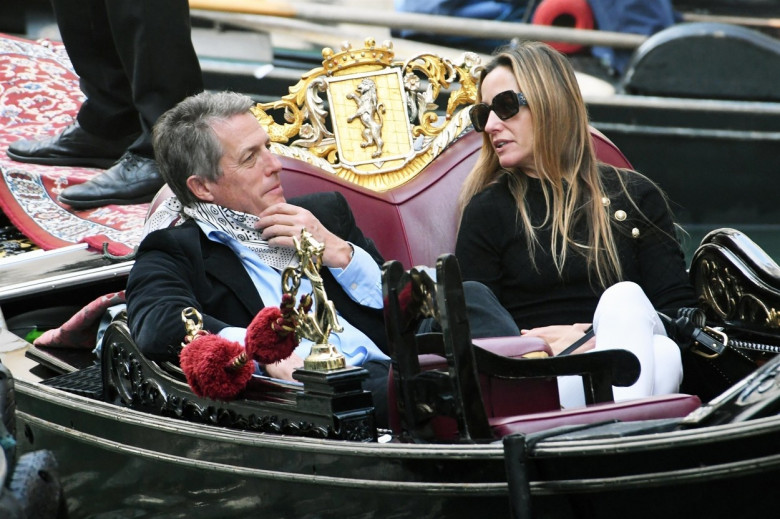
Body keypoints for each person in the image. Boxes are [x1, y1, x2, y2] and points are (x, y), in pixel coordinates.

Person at [126, 91, 517, 426]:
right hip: (329, 391)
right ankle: (501, 409)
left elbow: (398, 302)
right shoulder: (175, 250)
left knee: (469, 295)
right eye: (250, 158)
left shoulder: (323, 214)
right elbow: (157, 323)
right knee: (405, 385)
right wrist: (259, 349)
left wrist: (338, 252)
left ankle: (530, 388)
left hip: (397, 352)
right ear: (203, 187)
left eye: (268, 147)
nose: (274, 164)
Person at [455, 41, 697, 408]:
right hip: (545, 377)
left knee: (633, 311)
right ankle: (619, 440)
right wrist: (559, 345)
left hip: (626, 357)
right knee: (656, 349)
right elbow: (480, 329)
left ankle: (611, 434)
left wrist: (602, 335)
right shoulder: (487, 211)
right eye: (483, 113)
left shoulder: (634, 196)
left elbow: (681, 316)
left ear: (552, 103)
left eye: (505, 107)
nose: (490, 125)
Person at [5, 0, 203, 209]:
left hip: (169, 140)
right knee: (78, 7)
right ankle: (110, 123)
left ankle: (167, 151)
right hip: (106, 118)